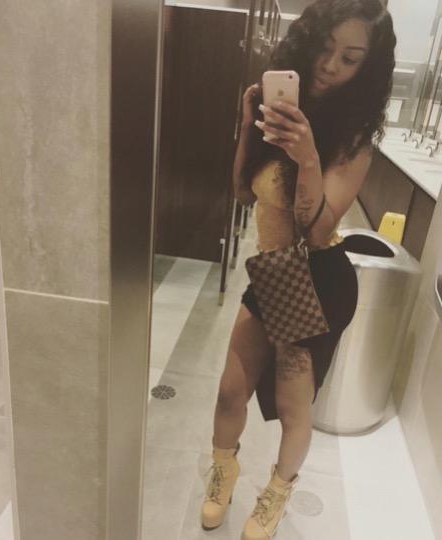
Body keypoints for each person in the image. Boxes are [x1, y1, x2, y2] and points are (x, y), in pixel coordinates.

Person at [201, 1, 397, 538]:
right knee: (229, 392)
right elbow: (245, 192)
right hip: (273, 273)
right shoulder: (282, 112)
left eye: (350, 58)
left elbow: (314, 231)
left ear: (368, 67)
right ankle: (223, 471)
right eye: (326, 48)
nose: (331, 65)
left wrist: (308, 157)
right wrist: (249, 128)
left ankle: (277, 494)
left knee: (293, 410)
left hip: (316, 278)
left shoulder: (354, 140)